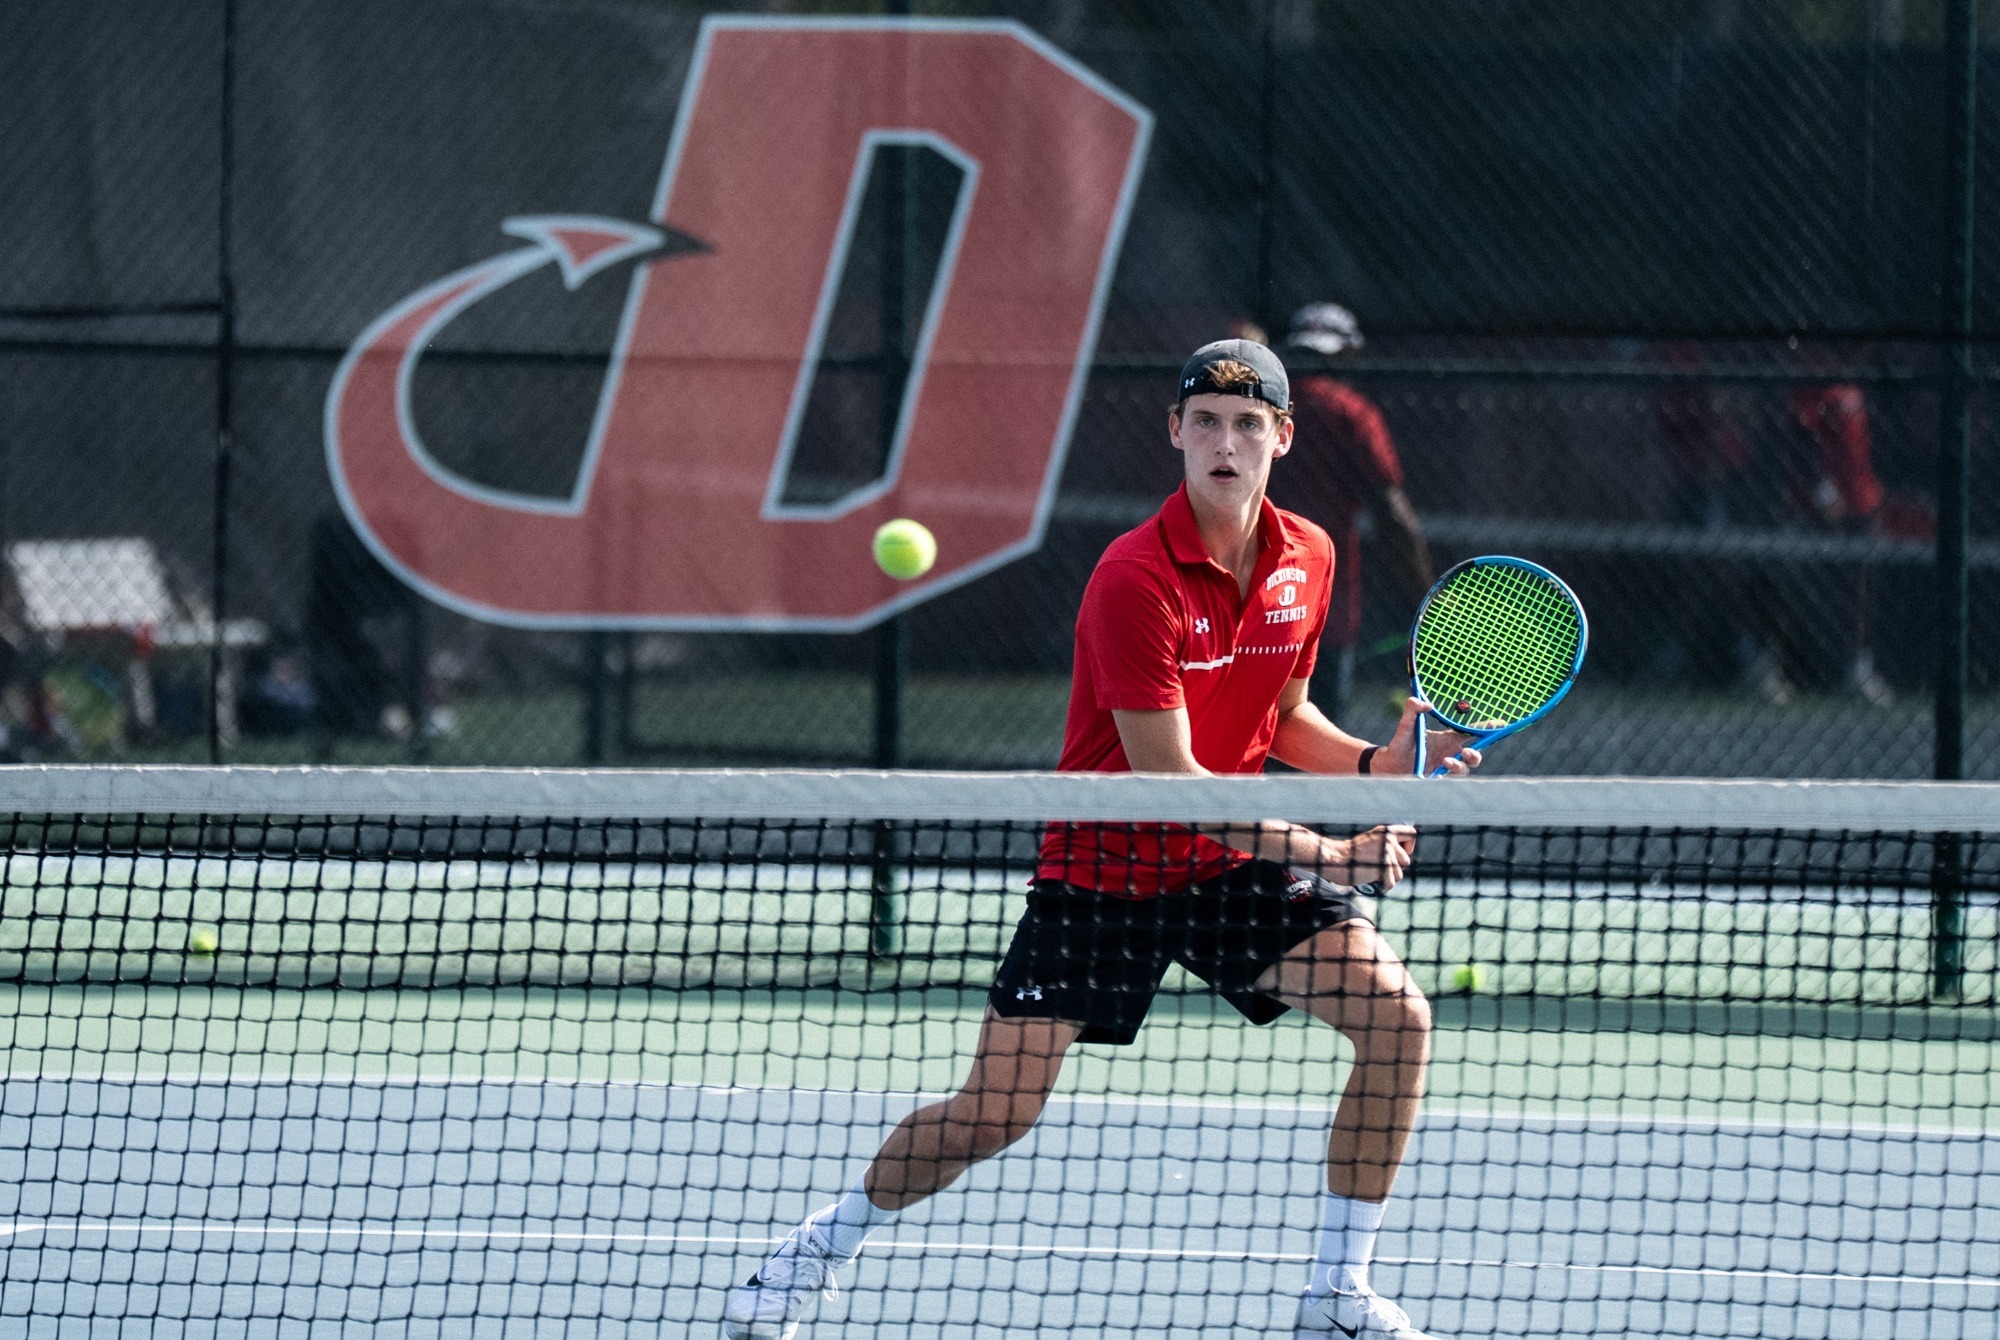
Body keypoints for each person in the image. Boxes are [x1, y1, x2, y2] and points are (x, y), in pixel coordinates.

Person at [723, 339, 1479, 1340]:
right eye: (1203, 421)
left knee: (1397, 1020)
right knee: (992, 1114)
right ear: (1174, 432)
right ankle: (812, 1251)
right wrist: (1325, 849)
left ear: (1281, 438)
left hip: (1223, 864)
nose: (1224, 441)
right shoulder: (1133, 579)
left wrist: (1377, 767)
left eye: (1247, 423)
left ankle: (1334, 1294)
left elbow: (1282, 713)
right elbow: (1171, 784)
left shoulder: (1310, 555)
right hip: (1103, 871)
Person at [1275, 304, 1432, 725]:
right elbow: (1392, 514)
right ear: (1348, 356)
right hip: (1324, 613)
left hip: (1247, 606)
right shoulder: (1352, 413)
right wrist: (1427, 597)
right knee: (1318, 746)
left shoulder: (1257, 413)